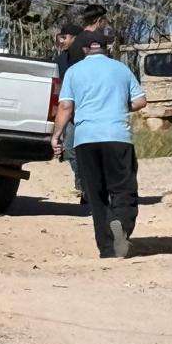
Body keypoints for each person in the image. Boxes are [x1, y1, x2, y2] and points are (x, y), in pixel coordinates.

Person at [51, 29, 147, 258]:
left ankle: (107, 248)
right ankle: (121, 224)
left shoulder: (74, 71)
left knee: (96, 193)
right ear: (107, 48)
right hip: (117, 136)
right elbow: (140, 101)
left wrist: (56, 136)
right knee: (123, 189)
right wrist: (119, 105)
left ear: (85, 49)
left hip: (86, 138)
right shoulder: (121, 69)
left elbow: (65, 106)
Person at [52, 21, 83, 196]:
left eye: (65, 37)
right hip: (69, 113)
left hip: (89, 112)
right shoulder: (60, 60)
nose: (62, 41)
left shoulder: (87, 59)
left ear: (75, 38)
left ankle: (91, 186)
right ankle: (82, 184)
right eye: (60, 37)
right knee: (70, 149)